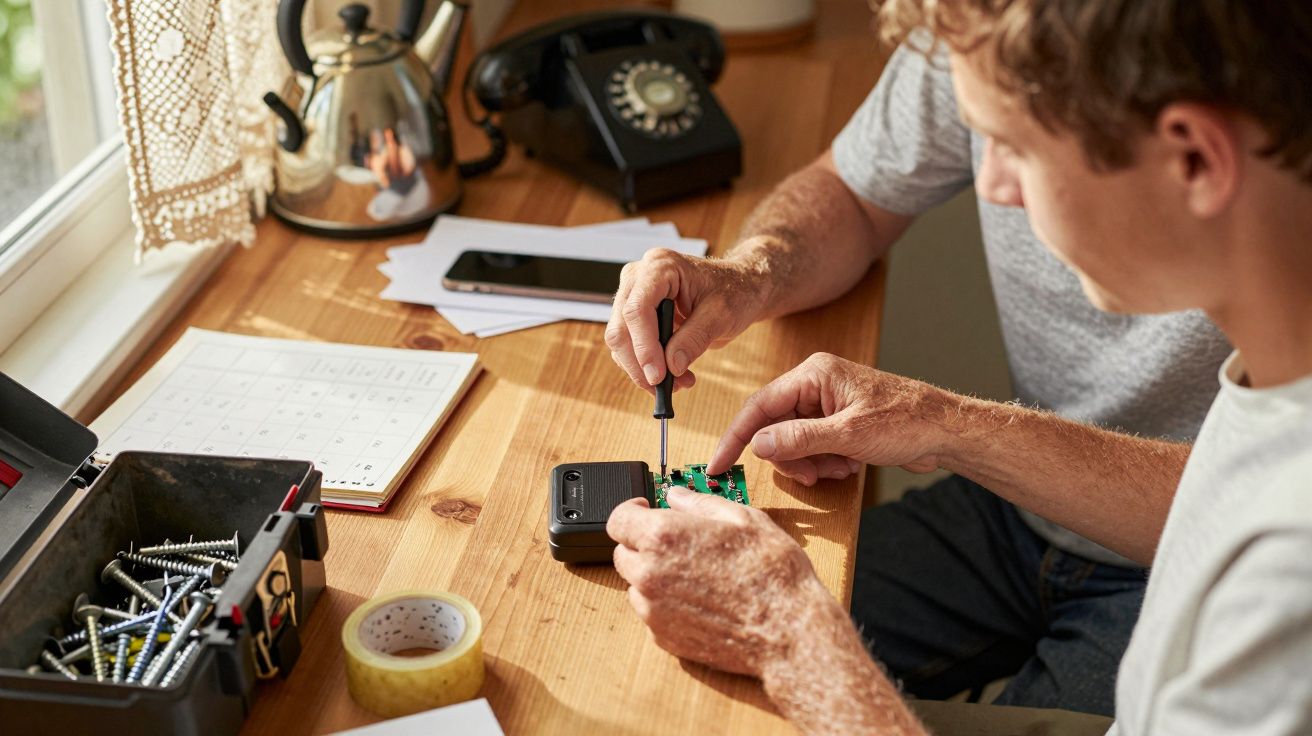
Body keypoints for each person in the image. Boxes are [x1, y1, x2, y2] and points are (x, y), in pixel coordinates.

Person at [606, 0, 1312, 734]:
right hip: (1024, 517)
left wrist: (788, 636)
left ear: (1194, 159)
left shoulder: (1282, 580)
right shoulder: (1272, 367)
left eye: (1013, 145)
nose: (991, 186)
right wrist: (931, 421)